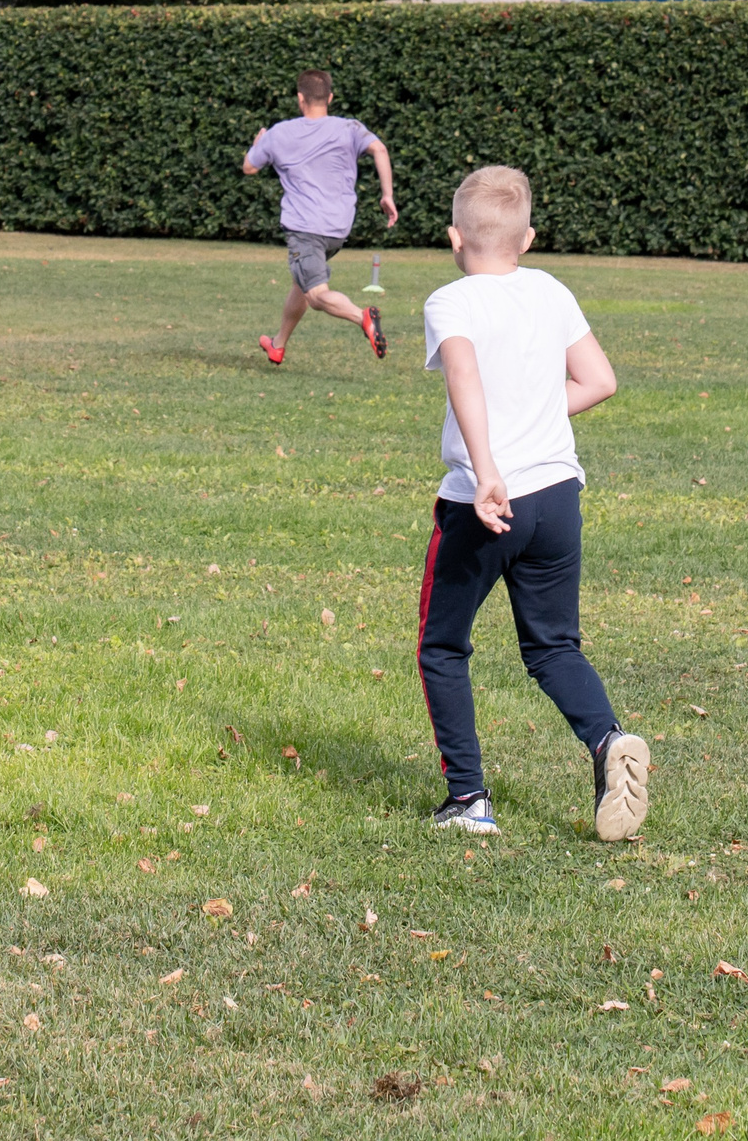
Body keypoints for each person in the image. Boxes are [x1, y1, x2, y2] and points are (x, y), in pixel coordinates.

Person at [415, 166, 647, 841]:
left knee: (443, 644)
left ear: (455, 236)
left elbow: (463, 374)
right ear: (530, 237)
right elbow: (599, 380)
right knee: (552, 646)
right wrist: (537, 413)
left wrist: (487, 469)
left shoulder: (450, 301)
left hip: (484, 501)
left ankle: (467, 798)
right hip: (558, 496)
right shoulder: (550, 290)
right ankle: (608, 742)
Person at [242, 70, 397, 365]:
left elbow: (249, 167)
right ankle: (278, 344)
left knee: (315, 294)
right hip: (337, 231)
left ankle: (361, 316)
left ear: (300, 99)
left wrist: (256, 143)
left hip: (305, 229)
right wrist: (386, 195)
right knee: (300, 284)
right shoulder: (349, 127)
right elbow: (379, 149)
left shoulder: (278, 133)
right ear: (329, 98)